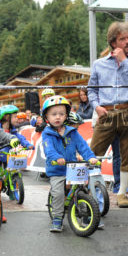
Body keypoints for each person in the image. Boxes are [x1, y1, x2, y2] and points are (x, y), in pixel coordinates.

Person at [88, 21, 128, 208]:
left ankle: (122, 194)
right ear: (113, 42)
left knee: (127, 154)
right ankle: (92, 190)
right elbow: (91, 90)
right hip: (106, 112)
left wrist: (124, 60)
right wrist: (97, 107)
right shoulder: (99, 64)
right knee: (93, 153)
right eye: (123, 38)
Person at [41, 96, 97, 232]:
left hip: (72, 168)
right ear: (46, 117)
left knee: (84, 187)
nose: (58, 117)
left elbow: (83, 146)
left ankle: (87, 215)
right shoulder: (47, 134)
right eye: (54, 114)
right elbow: (49, 149)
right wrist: (56, 157)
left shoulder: (72, 132)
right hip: (57, 170)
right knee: (58, 193)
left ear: (66, 115)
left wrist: (90, 157)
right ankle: (57, 218)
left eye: (61, 114)